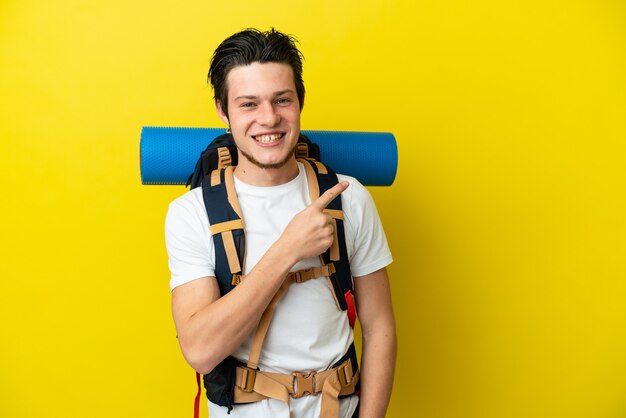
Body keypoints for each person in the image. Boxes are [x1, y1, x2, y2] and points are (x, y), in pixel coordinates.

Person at [165, 28, 396, 418]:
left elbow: (380, 329)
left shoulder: (348, 197)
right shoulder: (192, 212)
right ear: (223, 111)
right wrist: (289, 248)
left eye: (282, 100)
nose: (268, 119)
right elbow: (201, 352)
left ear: (300, 103)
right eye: (248, 104)